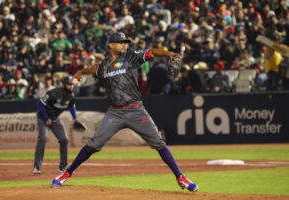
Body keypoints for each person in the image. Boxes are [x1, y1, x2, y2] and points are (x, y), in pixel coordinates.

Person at [51, 32, 198, 192]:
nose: (124, 44)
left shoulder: (130, 57)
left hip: (136, 110)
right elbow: (93, 69)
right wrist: (80, 72)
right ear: (111, 45)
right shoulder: (104, 66)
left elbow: (153, 52)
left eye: (125, 42)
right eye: (120, 42)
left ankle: (180, 177)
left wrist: (170, 54)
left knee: (158, 143)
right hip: (115, 113)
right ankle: (66, 174)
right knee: (93, 145)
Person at [33, 75, 78, 174]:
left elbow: (71, 106)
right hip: (43, 117)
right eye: (69, 84)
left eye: (72, 84)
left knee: (64, 140)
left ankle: (63, 167)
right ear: (63, 85)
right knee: (43, 138)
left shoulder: (71, 96)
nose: (71, 86)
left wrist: (74, 118)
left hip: (55, 118)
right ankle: (37, 166)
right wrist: (46, 118)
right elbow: (40, 104)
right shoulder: (53, 93)